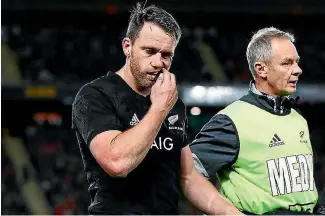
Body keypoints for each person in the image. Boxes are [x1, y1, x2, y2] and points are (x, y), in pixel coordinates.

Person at [71, 3, 242, 215]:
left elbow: (187, 178)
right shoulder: (95, 95)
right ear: (127, 47)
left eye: (166, 55)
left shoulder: (172, 102)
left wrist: (231, 213)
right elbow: (117, 163)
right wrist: (159, 108)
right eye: (149, 51)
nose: (158, 62)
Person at [190, 27, 319, 215]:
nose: (298, 70)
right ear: (261, 69)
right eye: (287, 63)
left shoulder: (298, 119)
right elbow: (186, 173)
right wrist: (227, 212)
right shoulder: (232, 120)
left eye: (297, 62)